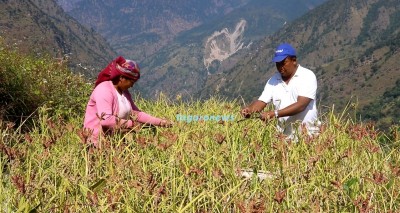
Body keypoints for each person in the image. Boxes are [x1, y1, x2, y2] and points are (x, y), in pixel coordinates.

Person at [84, 56, 173, 147]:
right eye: (132, 82)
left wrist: (160, 122)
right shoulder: (104, 90)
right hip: (96, 144)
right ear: (122, 78)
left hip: (113, 143)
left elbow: (135, 114)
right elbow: (106, 120)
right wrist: (132, 124)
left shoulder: (124, 92)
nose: (132, 86)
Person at [240, 43, 319, 139]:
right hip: (283, 137)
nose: (280, 66)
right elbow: (262, 101)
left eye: (283, 62)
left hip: (308, 135)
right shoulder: (273, 81)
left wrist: (274, 114)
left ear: (294, 60)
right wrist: (249, 110)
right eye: (277, 63)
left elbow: (301, 105)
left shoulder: (307, 76)